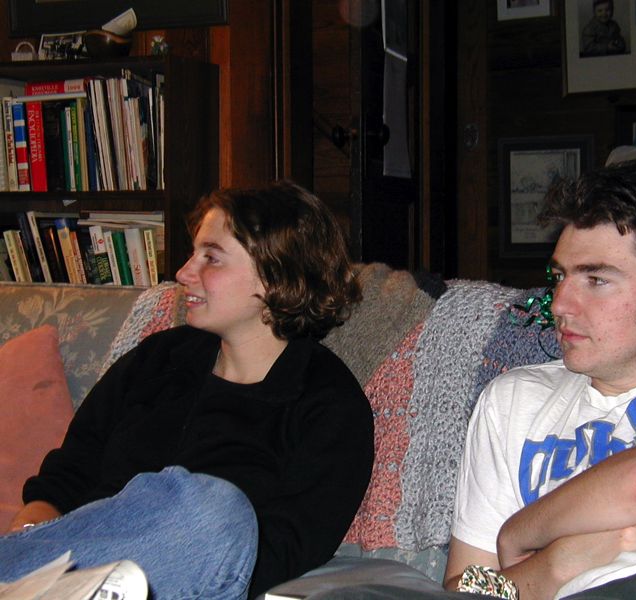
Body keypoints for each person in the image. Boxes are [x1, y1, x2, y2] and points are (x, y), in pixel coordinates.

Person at [310, 160, 636, 600]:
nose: (559, 304)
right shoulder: (514, 399)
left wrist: (518, 535)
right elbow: (468, 588)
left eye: (596, 280)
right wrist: (560, 561)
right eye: (560, 276)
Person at [0, 183, 375, 599]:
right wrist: (30, 534)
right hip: (57, 570)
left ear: (276, 276)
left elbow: (281, 550)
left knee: (217, 510)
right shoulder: (159, 357)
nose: (182, 274)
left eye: (210, 258)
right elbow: (65, 478)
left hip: (187, 581)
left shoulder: (329, 404)